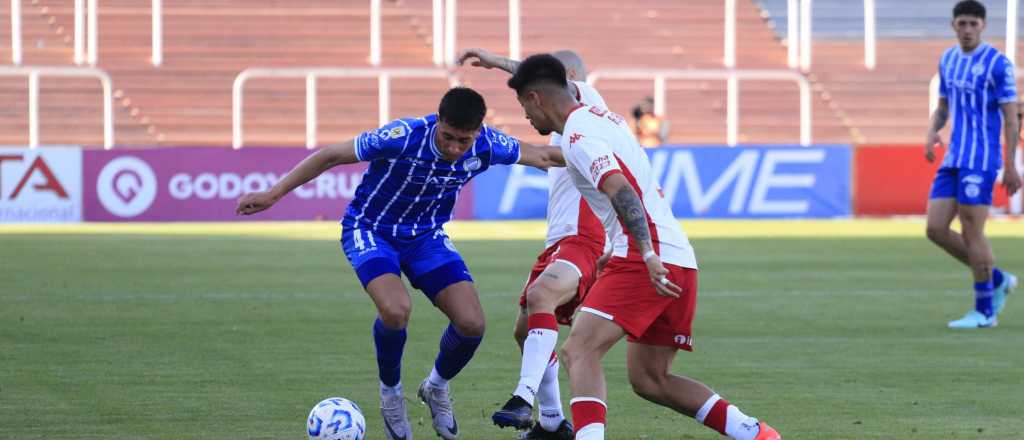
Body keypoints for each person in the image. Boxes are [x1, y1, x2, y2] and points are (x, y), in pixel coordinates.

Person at [236, 87, 564, 440]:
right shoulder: (403, 136)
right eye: (448, 137)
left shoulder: (490, 144)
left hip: (425, 236)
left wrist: (606, 158)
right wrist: (274, 194)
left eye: (463, 141)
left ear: (478, 132)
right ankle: (391, 393)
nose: (455, 148)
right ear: (438, 122)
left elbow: (545, 156)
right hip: (371, 230)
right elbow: (331, 155)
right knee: (396, 310)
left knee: (471, 324)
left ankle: (436, 386)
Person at [506, 53, 781, 440]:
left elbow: (621, 190)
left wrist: (646, 253)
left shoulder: (578, 135)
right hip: (678, 257)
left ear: (535, 98)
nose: (525, 118)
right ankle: (756, 434)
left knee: (578, 351)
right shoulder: (602, 117)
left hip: (648, 258)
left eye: (522, 106)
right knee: (652, 380)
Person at [458, 47, 609, 440]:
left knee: (543, 295)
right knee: (525, 331)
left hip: (582, 236)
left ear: (569, 76)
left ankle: (523, 397)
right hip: (560, 240)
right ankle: (553, 423)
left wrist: (495, 62)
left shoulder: (588, 100)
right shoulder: (572, 131)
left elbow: (544, 78)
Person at [925, 0, 1020, 329]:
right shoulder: (948, 59)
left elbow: (1011, 118)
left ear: (982, 26)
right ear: (953, 25)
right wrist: (930, 134)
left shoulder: (998, 64)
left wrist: (1010, 164)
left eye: (972, 24)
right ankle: (997, 278)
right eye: (961, 24)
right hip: (954, 157)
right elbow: (943, 106)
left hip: (981, 160)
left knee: (971, 231)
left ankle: (985, 312)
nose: (966, 30)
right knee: (935, 229)